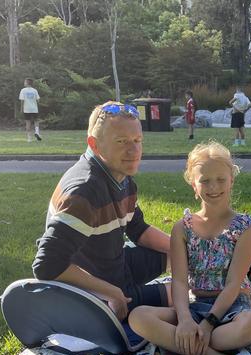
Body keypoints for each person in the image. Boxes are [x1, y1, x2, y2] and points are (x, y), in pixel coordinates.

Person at [129, 142, 251, 355]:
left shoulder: (244, 226)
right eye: (204, 180)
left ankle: (175, 347)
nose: (213, 186)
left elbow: (234, 284)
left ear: (231, 180)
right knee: (138, 316)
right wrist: (184, 320)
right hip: (193, 307)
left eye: (221, 179)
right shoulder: (182, 228)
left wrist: (209, 323)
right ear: (194, 184)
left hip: (232, 308)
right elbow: (180, 281)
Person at [32, 101, 171, 325]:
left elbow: (138, 229)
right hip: (93, 296)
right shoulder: (85, 191)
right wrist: (112, 293)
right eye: (121, 142)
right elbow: (47, 264)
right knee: (183, 296)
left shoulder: (118, 176)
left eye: (137, 141)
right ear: (94, 145)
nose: (134, 151)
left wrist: (186, 249)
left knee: (180, 257)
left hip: (115, 265)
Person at [19, 78, 41, 142]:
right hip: (34, 109)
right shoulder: (35, 90)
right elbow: (38, 100)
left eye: (24, 82)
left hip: (26, 109)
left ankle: (29, 138)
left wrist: (21, 109)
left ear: (27, 83)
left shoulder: (23, 90)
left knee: (28, 122)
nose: (24, 83)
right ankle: (37, 132)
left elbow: (22, 100)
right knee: (36, 121)